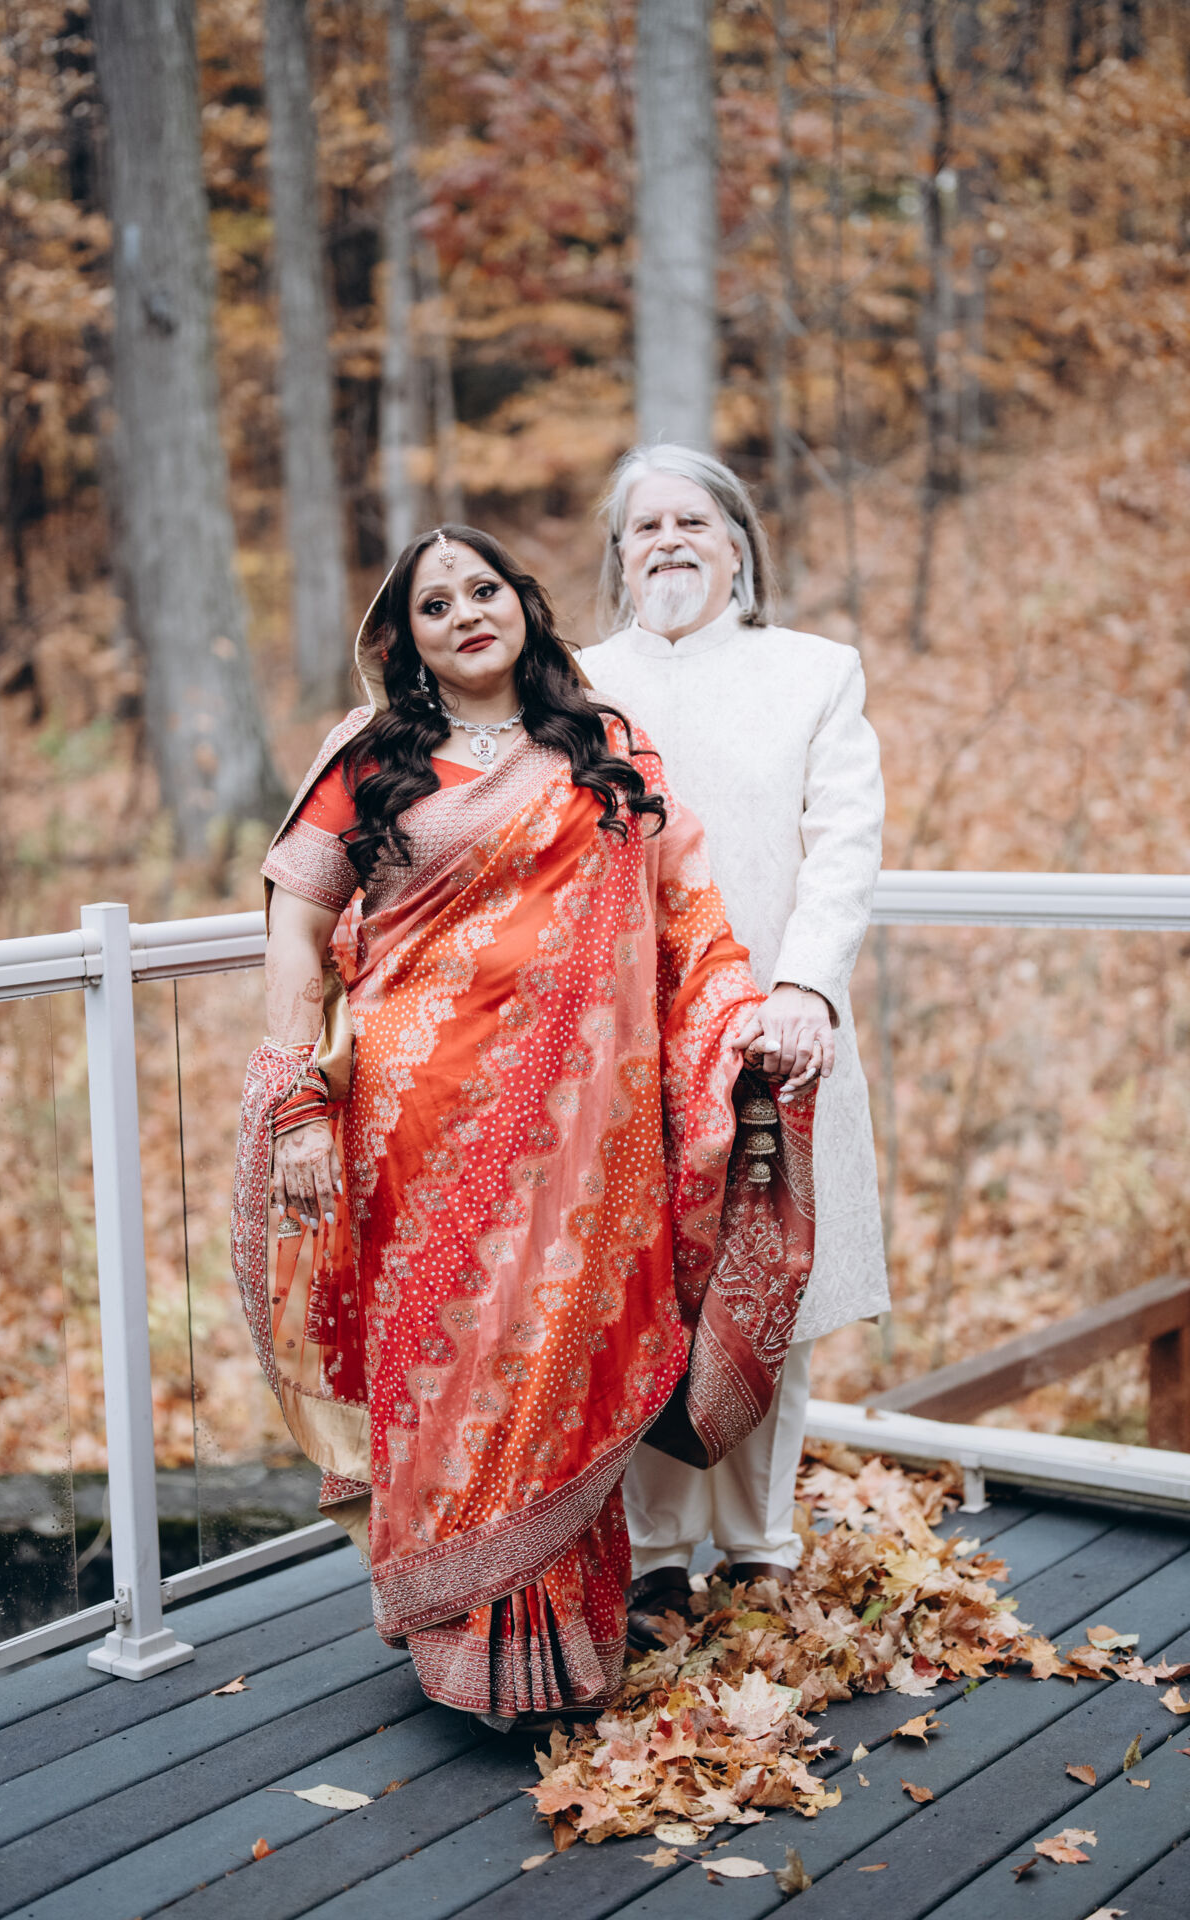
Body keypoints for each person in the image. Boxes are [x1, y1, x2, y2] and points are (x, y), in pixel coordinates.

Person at [231, 525, 818, 1728]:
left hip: (583, 1144)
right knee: (444, 1375)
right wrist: (298, 1104)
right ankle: (463, 1649)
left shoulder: (603, 746)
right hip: (413, 1129)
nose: (464, 613)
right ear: (404, 639)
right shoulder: (367, 757)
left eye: (481, 588)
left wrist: (740, 1024)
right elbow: (295, 935)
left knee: (556, 1368)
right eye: (434, 603)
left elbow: (685, 916)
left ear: (522, 603)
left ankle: (562, 1649)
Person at [586, 446, 887, 1645]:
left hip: (776, 1031)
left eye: (692, 522)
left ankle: (758, 1548)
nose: (667, 541)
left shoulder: (811, 672)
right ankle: (657, 1560)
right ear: (618, 557)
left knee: (771, 1285)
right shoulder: (576, 687)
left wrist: (805, 987)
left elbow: (843, 842)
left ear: (736, 545)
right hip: (627, 1051)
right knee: (648, 1293)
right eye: (644, 526)